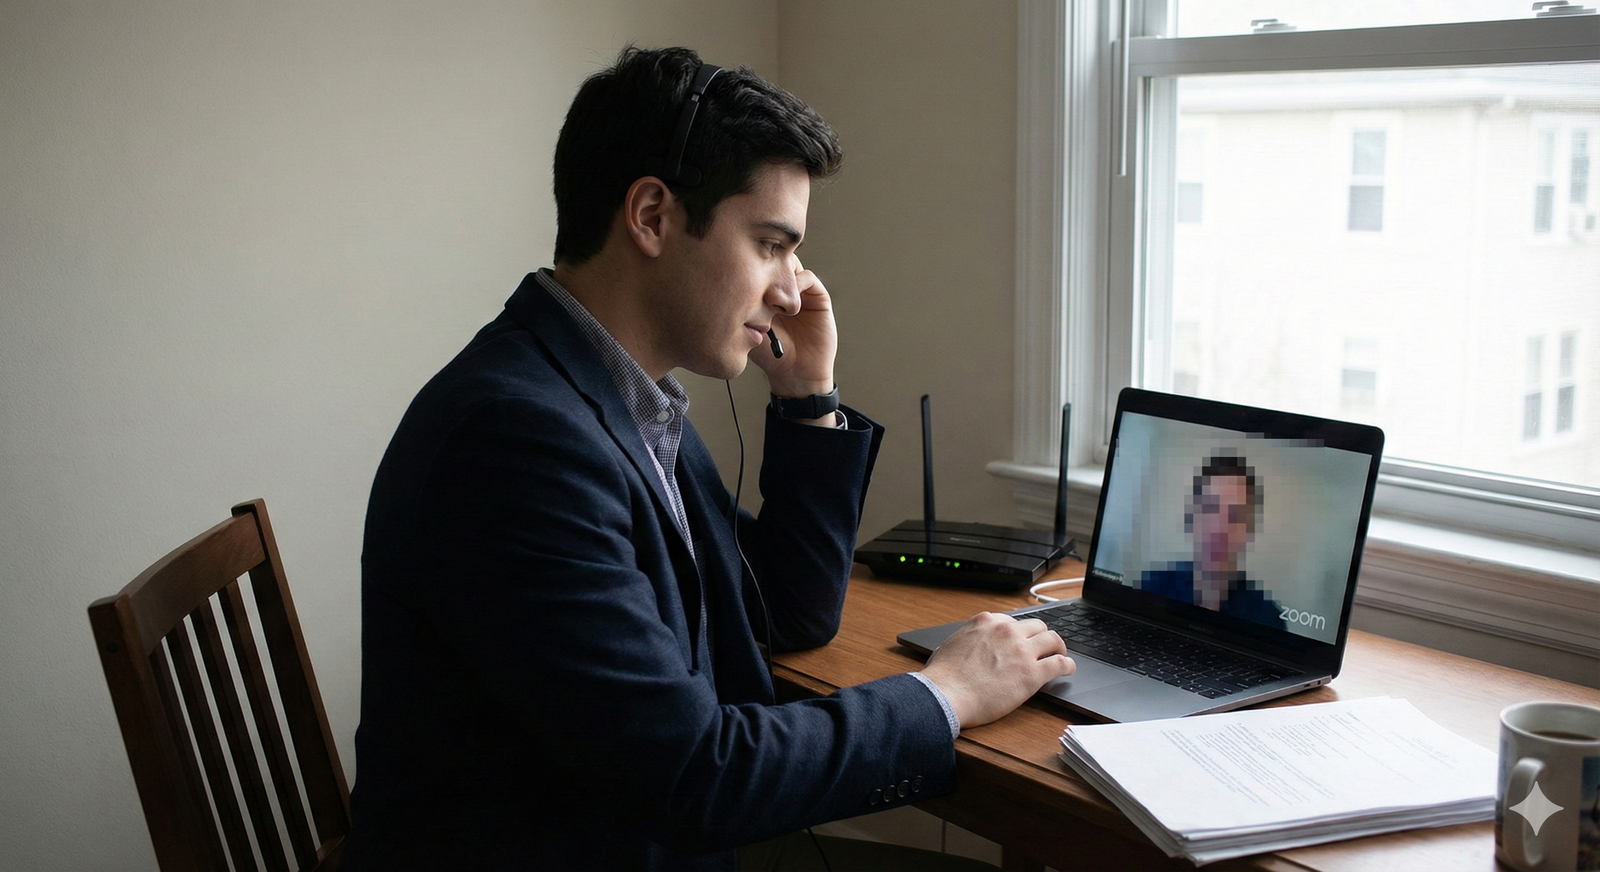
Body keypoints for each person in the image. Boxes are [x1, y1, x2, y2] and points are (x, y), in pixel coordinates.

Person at [340, 46, 1076, 871]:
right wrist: (946, 693)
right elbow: (698, 776)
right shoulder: (516, 439)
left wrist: (808, 399)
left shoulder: (616, 393)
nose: (795, 291)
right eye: (771, 244)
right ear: (652, 215)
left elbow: (782, 612)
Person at [1139, 453, 1284, 628]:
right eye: (1210, 509)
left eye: (1235, 516)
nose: (1219, 530)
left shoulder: (1267, 618)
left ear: (1249, 530)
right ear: (1191, 518)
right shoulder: (1151, 586)